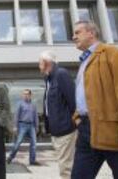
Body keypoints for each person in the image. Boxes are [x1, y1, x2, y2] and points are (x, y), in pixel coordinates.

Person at [71, 20, 118, 179]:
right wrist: (78, 118)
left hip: (115, 131)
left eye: (77, 32)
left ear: (91, 33)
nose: (73, 37)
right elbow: (84, 95)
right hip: (87, 130)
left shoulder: (113, 53)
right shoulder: (85, 61)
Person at [39, 51, 77, 179]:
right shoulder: (48, 79)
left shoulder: (61, 74)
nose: (38, 65)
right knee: (65, 165)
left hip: (66, 130)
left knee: (66, 168)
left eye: (40, 62)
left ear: (46, 62)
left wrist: (74, 124)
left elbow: (73, 102)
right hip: (56, 131)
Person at [7, 89, 40, 166]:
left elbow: (35, 116)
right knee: (18, 142)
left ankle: (32, 160)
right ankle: (10, 157)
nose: (25, 96)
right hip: (22, 125)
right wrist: (15, 126)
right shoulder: (20, 104)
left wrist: (37, 126)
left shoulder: (33, 105)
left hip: (31, 125)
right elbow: (16, 115)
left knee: (34, 144)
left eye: (27, 94)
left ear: (30, 95)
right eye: (24, 94)